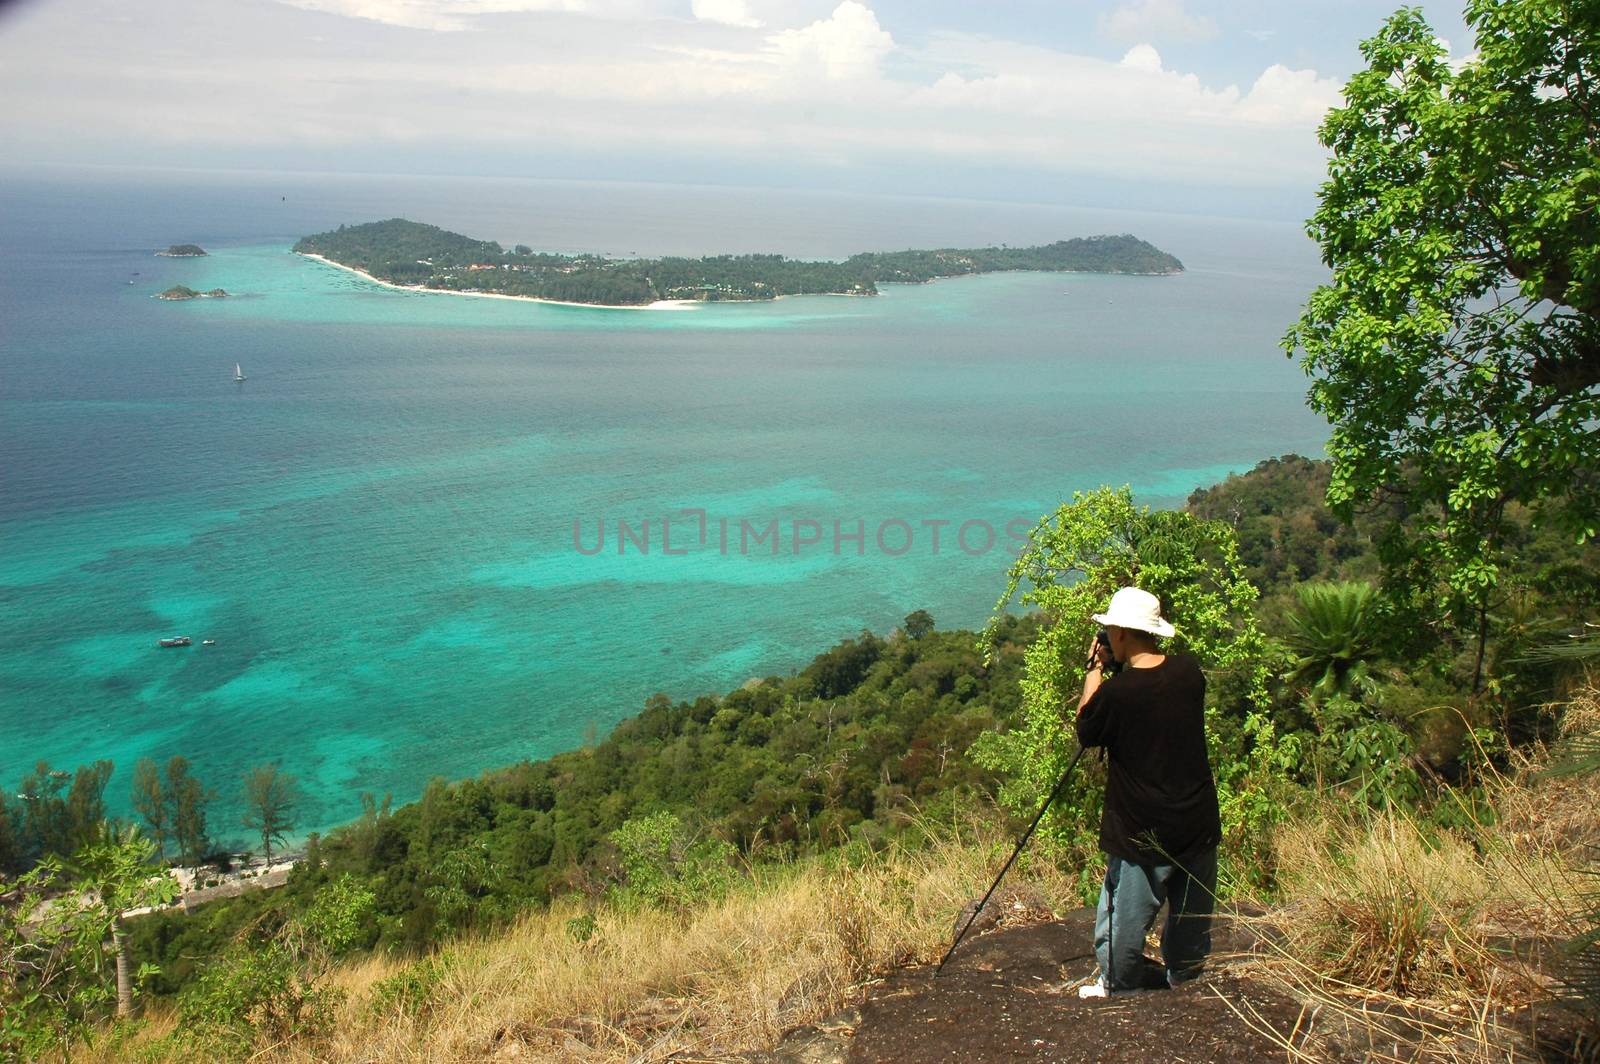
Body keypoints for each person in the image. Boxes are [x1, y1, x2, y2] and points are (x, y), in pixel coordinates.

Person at [1072, 586, 1220, 997]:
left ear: (1119, 633)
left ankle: (1119, 986)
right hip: (1197, 822)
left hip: (1141, 830)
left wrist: (1094, 669)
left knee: (1123, 926)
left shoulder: (1118, 694)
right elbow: (1155, 697)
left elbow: (1087, 728)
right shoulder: (1189, 672)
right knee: (1191, 921)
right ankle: (1185, 979)